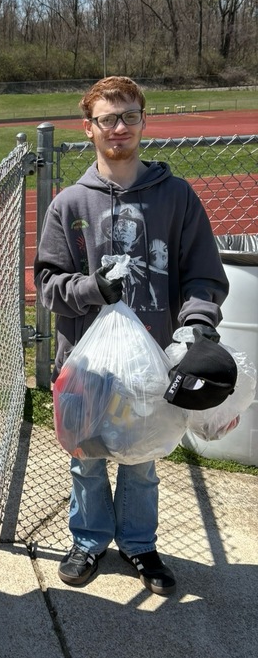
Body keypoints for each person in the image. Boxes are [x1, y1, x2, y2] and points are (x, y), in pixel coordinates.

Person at [34, 75, 229, 595]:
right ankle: (90, 539)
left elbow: (203, 275)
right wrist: (92, 289)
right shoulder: (70, 204)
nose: (118, 128)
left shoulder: (176, 198)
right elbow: (48, 285)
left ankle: (139, 544)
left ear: (144, 122)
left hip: (155, 360)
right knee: (88, 458)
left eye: (128, 117)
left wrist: (197, 326)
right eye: (107, 119)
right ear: (89, 128)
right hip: (86, 362)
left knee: (142, 461)